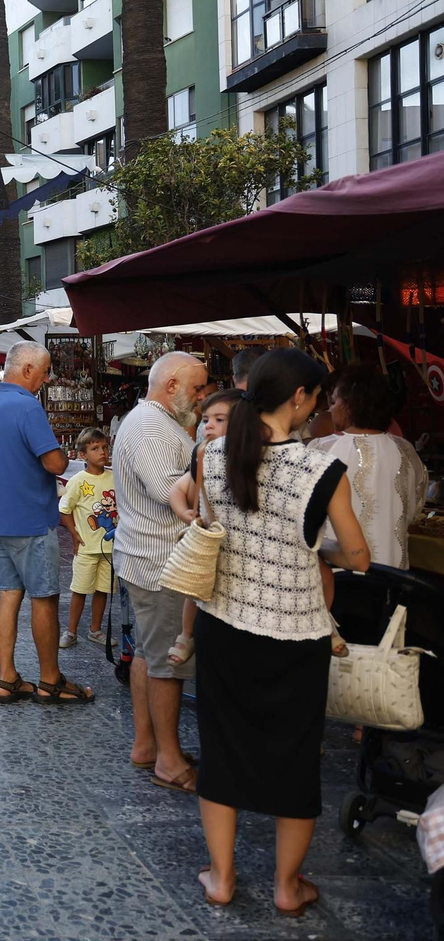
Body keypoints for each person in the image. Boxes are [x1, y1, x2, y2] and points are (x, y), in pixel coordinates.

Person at [193, 349, 370, 914]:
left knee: (221, 752)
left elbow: (211, 526)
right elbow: (360, 557)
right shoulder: (322, 472)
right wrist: (318, 549)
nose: (317, 407)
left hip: (222, 628)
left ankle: (221, 878)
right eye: (316, 397)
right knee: (294, 760)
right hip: (296, 637)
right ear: (299, 399)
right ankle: (287, 887)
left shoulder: (211, 456)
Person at [0, 343, 92, 705]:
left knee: (9, 594)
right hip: (29, 518)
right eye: (44, 372)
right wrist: (64, 454)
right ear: (26, 370)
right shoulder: (26, 405)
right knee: (45, 599)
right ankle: (50, 680)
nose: (46, 379)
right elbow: (55, 464)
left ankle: (7, 678)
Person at [112, 351, 208, 793]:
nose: (203, 396)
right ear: (171, 385)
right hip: (160, 562)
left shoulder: (155, 422)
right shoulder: (150, 425)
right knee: (167, 663)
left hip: (149, 557)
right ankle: (168, 760)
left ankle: (148, 746)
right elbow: (172, 492)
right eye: (199, 388)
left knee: (152, 655)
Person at [309, 365, 427, 569]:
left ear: (349, 406)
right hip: (393, 571)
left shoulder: (321, 449)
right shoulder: (405, 450)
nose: (330, 408)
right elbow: (414, 510)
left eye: (335, 401)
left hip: (338, 572)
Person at [167, 388, 244, 662]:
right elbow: (176, 491)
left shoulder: (245, 455)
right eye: (206, 419)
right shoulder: (202, 452)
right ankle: (186, 635)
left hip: (236, 550)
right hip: (210, 540)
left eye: (219, 419)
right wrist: (187, 514)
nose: (209, 425)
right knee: (196, 590)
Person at [58, 428, 115, 649]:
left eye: (104, 448)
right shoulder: (78, 481)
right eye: (95, 449)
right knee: (80, 589)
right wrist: (74, 534)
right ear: (83, 454)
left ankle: (96, 629)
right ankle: (71, 631)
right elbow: (65, 509)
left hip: (109, 547)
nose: (102, 452)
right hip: (86, 547)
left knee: (103, 589)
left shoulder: (113, 477)